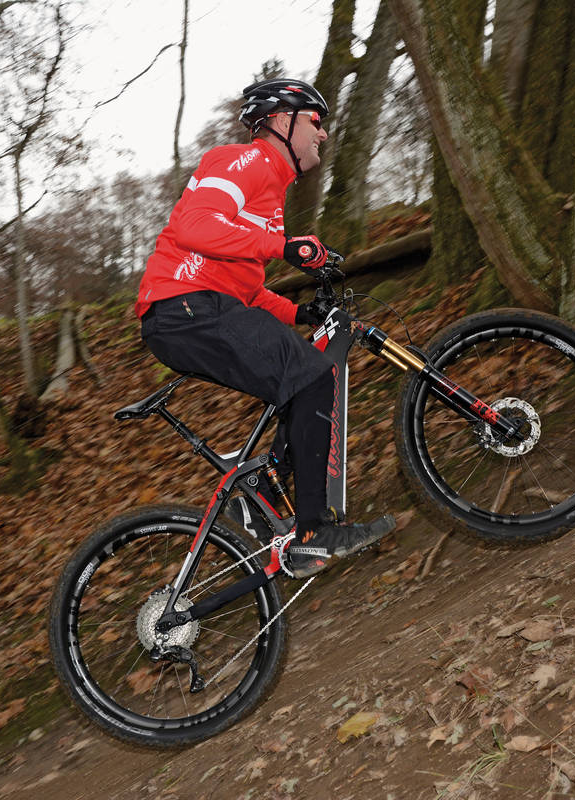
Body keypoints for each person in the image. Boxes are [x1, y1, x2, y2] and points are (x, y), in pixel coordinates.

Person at [134, 78, 395, 577]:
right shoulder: (246, 161)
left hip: (200, 306)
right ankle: (314, 534)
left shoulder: (269, 197)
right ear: (281, 121)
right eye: (315, 123)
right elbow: (193, 226)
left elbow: (248, 295)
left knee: (300, 379)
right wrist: (286, 247)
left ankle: (262, 487)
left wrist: (302, 313)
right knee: (314, 376)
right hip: (183, 304)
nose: (322, 135)